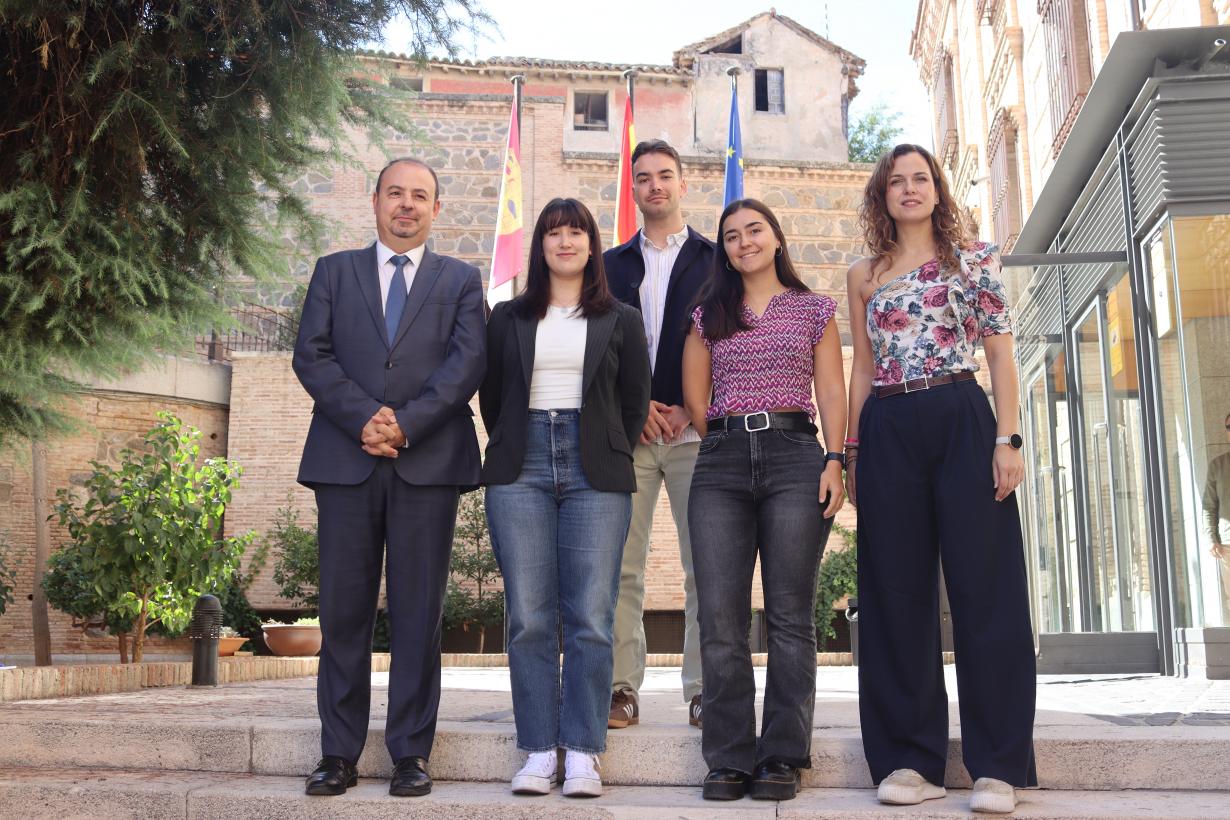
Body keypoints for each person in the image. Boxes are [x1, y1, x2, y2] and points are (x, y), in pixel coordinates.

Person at [844, 143, 1036, 814]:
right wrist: (852, 449)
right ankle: (908, 760)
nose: (908, 189)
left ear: (937, 189)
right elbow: (863, 369)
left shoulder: (974, 259)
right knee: (896, 592)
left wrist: (1007, 438)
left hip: (962, 413)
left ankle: (998, 766)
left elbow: (1000, 354)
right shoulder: (864, 274)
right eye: (895, 181)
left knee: (986, 587)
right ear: (882, 196)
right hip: (889, 426)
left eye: (920, 178)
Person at [292, 157, 486, 798]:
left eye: (420, 196)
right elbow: (311, 354)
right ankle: (338, 754)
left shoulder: (460, 279)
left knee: (417, 613)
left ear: (436, 209)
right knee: (343, 614)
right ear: (375, 201)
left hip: (425, 464)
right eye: (396, 193)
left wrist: (406, 425)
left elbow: (466, 364)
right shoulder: (333, 271)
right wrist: (363, 419)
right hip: (345, 463)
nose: (407, 205)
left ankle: (410, 753)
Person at [480, 198, 651, 798]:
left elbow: (635, 402)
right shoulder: (506, 317)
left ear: (591, 243)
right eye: (554, 232)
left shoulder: (621, 318)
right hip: (520, 462)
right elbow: (492, 396)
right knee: (528, 616)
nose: (565, 241)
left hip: (594, 469)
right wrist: (515, 441)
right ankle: (535, 751)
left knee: (591, 617)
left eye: (576, 231)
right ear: (541, 246)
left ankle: (581, 750)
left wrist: (606, 446)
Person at [682, 198, 847, 802]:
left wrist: (836, 457)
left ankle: (781, 753)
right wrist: (731, 440)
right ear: (723, 250)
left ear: (776, 238)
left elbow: (830, 386)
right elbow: (696, 400)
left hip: (797, 458)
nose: (744, 242)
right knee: (721, 619)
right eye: (731, 236)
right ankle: (727, 758)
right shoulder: (708, 315)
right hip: (721, 463)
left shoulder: (813, 309)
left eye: (755, 230)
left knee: (789, 615)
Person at [603, 139, 715, 731]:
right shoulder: (610, 265)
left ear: (682, 184)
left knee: (706, 565)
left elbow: (732, 344)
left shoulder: (717, 258)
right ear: (634, 189)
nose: (654, 186)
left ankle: (704, 690)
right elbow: (603, 348)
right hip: (632, 433)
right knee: (623, 565)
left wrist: (694, 408)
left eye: (665, 175)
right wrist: (636, 404)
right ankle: (621, 689)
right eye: (642, 177)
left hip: (698, 434)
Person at [1202, 412, 1230, 620]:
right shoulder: (1217, 466)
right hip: (1228, 544)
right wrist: (1212, 538)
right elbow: (1209, 506)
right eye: (1229, 427)